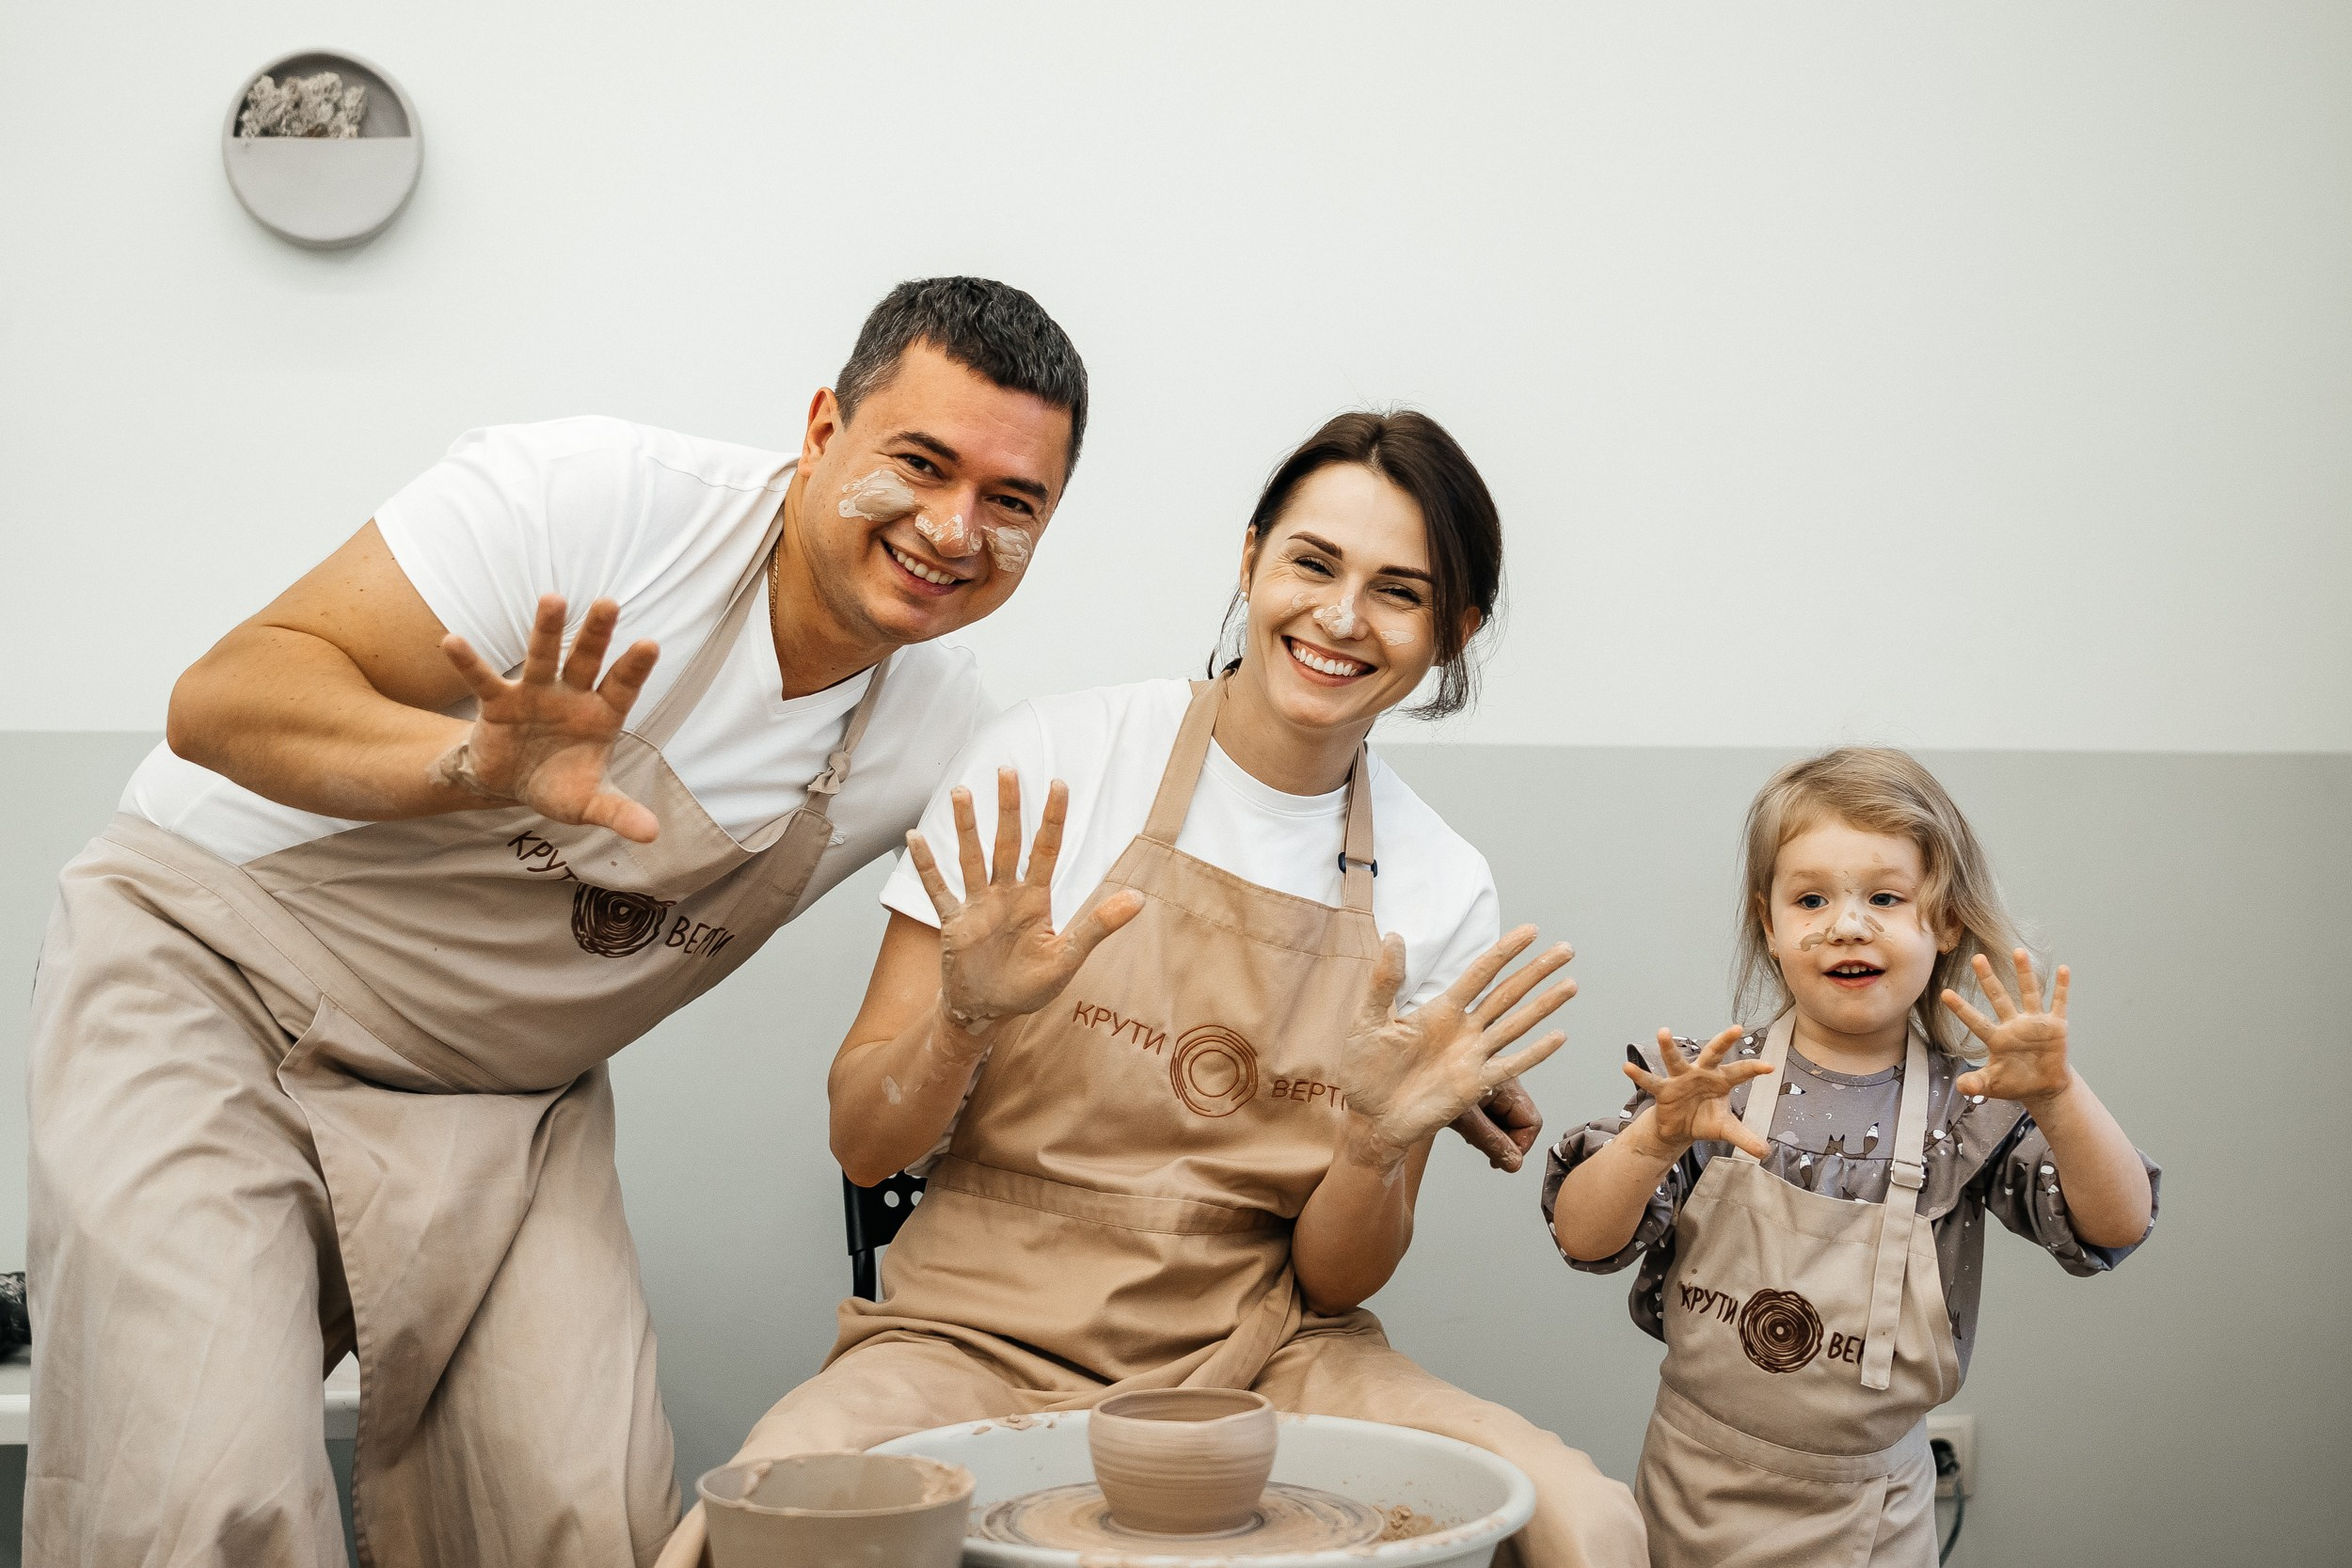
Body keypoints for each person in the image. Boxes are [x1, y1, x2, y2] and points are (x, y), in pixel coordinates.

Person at [26, 277, 1092, 1568]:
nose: (951, 527)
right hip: (212, 981)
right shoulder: (595, 502)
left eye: (1011, 501)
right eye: (919, 462)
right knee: (206, 1498)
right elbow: (223, 695)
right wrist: (472, 765)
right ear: (821, 429)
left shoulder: (942, 735)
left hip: (506, 1099)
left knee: (580, 1511)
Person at [660, 409, 1647, 1568]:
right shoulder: (1056, 760)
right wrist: (962, 1020)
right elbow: (865, 1145)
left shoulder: (1440, 885)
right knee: (760, 1518)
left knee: (1587, 1517)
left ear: (1452, 629)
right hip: (969, 1329)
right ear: (1251, 559)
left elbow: (1336, 1277)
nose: (1337, 616)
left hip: (1263, 1349)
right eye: (1312, 562)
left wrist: (1377, 1143)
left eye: (1398, 590)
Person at [1544, 748, 2160, 1567]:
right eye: (1811, 898)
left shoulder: (1967, 1108)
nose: (1846, 922)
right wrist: (1656, 1139)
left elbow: (2117, 1225)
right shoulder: (1708, 1086)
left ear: (1942, 921)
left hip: (1869, 1517)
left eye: (1884, 896)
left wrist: (2059, 1097)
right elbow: (1583, 1238)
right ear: (1769, 923)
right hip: (1690, 1492)